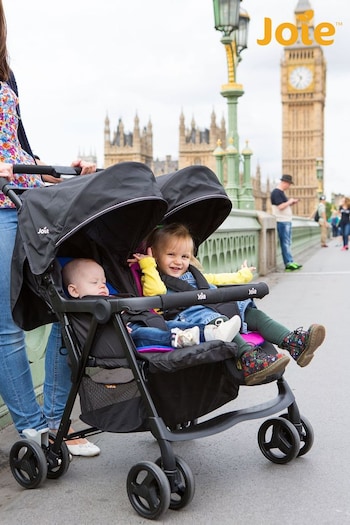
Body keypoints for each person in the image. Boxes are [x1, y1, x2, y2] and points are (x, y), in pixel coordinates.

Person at [0, 0, 99, 456]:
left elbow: (18, 142)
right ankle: (32, 428)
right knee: (6, 326)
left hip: (23, 205)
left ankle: (60, 425)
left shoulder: (7, 74)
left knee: (66, 307)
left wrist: (54, 169)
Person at [131, 223, 326, 387]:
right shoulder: (155, 277)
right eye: (171, 254)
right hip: (187, 317)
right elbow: (155, 294)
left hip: (212, 307)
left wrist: (242, 276)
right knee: (218, 320)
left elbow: (219, 279)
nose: (178, 262)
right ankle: (248, 359)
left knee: (248, 311)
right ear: (154, 254)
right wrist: (148, 264)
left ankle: (293, 342)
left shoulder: (193, 274)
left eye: (184, 257)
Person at [61, 258, 242, 348]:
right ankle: (182, 339)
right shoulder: (84, 306)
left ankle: (212, 330)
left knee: (173, 324)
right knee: (148, 334)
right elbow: (91, 329)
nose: (102, 286)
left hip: (146, 320)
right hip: (128, 335)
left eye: (103, 281)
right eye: (94, 283)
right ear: (74, 291)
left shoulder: (111, 297)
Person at [270, 174, 302, 271]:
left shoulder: (281, 192)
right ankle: (288, 263)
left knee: (287, 242)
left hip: (286, 221)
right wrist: (290, 201)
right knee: (285, 243)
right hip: (282, 221)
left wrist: (291, 203)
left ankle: (290, 261)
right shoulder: (276, 192)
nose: (289, 186)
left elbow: (283, 206)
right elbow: (280, 207)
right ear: (285, 182)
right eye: (289, 184)